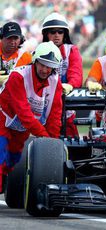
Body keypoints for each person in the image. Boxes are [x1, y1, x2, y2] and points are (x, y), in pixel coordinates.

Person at [0, 41, 63, 193]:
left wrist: (52, 144)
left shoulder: (56, 83)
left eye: (49, 66)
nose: (45, 69)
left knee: (14, 159)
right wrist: (44, 136)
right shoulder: (18, 76)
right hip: (3, 117)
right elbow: (24, 113)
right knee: (1, 154)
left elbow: (54, 116)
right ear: (35, 61)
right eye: (42, 64)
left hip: (22, 127)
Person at [42, 12, 83, 137]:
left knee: (72, 141)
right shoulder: (39, 51)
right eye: (52, 32)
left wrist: (69, 85)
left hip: (66, 104)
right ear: (46, 34)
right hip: (45, 104)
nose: (56, 35)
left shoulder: (72, 50)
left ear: (65, 34)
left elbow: (76, 75)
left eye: (60, 32)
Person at [0, 21, 32, 86]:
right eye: (9, 38)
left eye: (15, 38)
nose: (12, 42)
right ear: (1, 37)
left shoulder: (27, 57)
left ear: (21, 39)